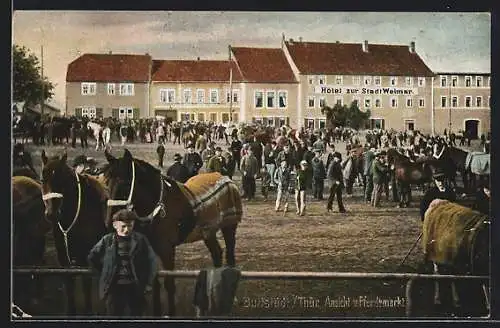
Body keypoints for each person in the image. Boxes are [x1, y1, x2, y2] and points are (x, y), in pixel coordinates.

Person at [87, 209, 158, 317]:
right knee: (113, 317)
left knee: (136, 317)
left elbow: (152, 261)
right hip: (113, 287)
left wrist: (148, 284)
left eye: (130, 226)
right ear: (115, 225)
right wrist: (105, 272)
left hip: (135, 287)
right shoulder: (107, 240)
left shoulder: (140, 240)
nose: (127, 229)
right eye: (123, 226)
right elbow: (92, 257)